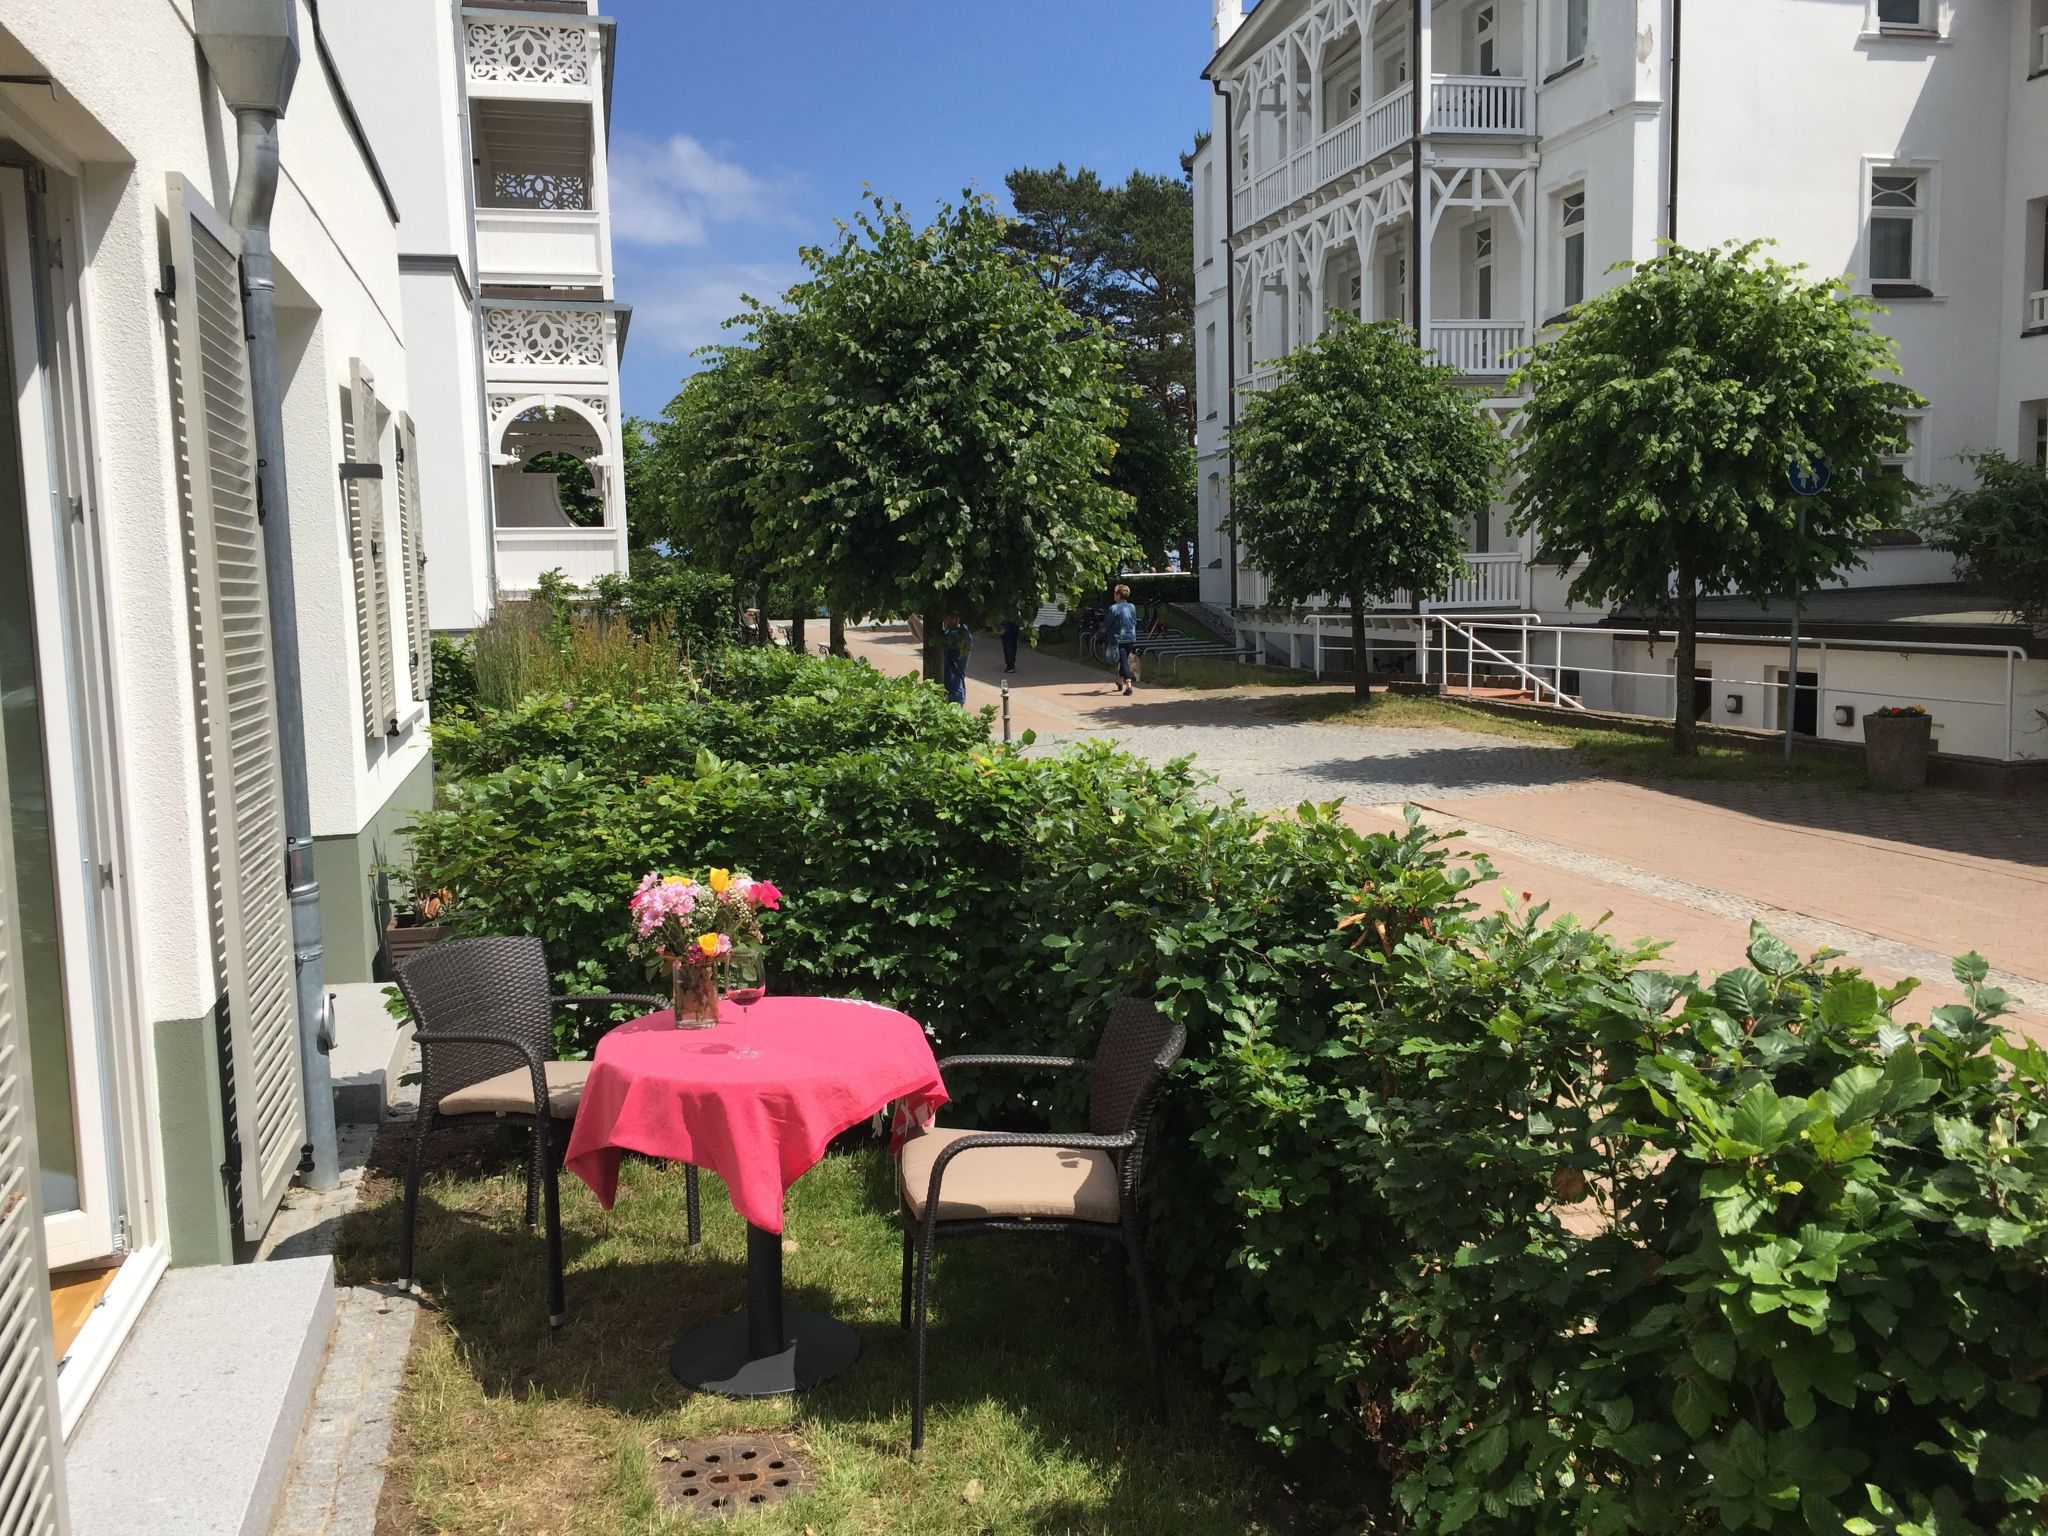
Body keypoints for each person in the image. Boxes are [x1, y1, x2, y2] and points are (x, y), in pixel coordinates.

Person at [1105, 584, 1139, 697]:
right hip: (1131, 637)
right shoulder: (1132, 606)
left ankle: (1129, 685)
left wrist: (1101, 632)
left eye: (1115, 593)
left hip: (1119, 638)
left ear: (1119, 595)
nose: (1114, 595)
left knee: (1124, 661)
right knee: (1123, 659)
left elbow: (1107, 623)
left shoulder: (1113, 608)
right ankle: (1120, 681)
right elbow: (1134, 621)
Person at [939, 615, 972, 706]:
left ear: (956, 618)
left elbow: (926, 638)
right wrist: (911, 621)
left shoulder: (958, 635)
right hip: (951, 691)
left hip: (952, 693)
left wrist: (913, 618)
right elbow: (922, 638)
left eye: (946, 616)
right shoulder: (950, 631)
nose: (943, 619)